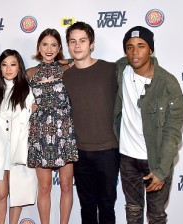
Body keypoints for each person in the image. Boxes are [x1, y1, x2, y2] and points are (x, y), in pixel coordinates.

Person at [114, 26, 183, 224]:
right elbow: (91, 66)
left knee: (155, 216)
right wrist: (66, 61)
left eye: (141, 46)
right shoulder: (121, 69)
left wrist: (162, 171)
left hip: (155, 160)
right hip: (128, 158)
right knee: (133, 211)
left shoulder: (168, 83)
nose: (135, 52)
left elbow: (173, 132)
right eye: (129, 47)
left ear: (151, 49)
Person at [62, 21, 119, 224]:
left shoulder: (111, 70)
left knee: (106, 206)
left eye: (82, 41)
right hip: (80, 152)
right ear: (68, 45)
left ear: (91, 44)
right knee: (86, 206)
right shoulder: (65, 76)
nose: (77, 46)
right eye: (72, 41)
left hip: (108, 150)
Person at [26, 28, 78, 224]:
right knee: (45, 187)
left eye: (53, 45)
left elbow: (83, 58)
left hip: (64, 132)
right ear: (39, 46)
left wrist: (62, 61)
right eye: (45, 44)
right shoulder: (30, 73)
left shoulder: (69, 69)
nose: (49, 49)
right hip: (39, 134)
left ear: (59, 48)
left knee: (66, 186)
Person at [0, 49, 37, 224]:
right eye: (4, 65)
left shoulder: (28, 91)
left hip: (20, 149)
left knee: (17, 193)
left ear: (19, 67)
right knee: (0, 193)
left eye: (13, 64)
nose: (8, 69)